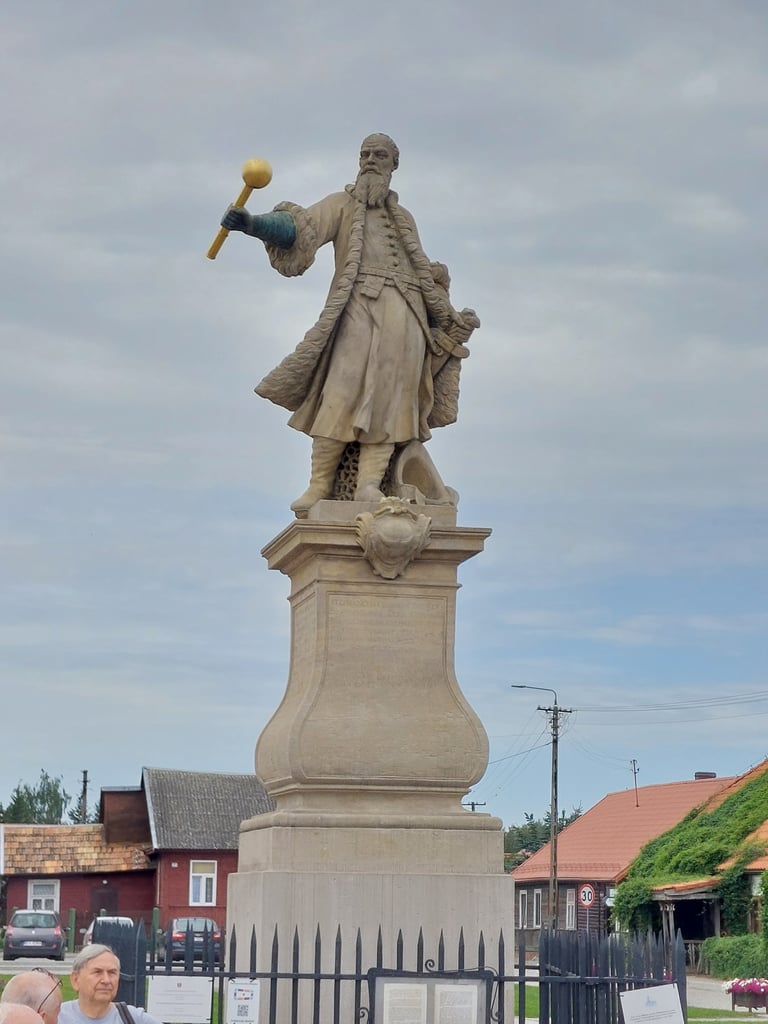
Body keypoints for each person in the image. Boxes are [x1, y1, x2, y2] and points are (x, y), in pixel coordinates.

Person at [221, 133, 479, 512]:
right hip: (360, 307)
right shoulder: (341, 204)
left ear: (393, 164)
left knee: (394, 401)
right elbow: (302, 228)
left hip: (407, 318)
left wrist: (448, 315)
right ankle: (319, 484)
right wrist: (253, 223)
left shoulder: (405, 218)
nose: (370, 160)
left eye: (379, 155)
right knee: (340, 392)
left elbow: (423, 272)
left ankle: (369, 485)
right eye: (365, 154)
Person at [58, 945, 160, 1024]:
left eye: (112, 973)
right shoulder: (56, 1017)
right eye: (97, 972)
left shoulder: (134, 1019)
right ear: (76, 979)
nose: (106, 980)